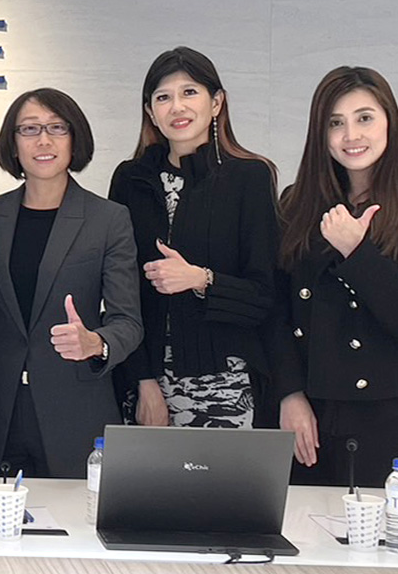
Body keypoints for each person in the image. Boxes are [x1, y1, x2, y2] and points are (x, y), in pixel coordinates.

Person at [272, 66, 398, 488]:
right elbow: (276, 311)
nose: (351, 135)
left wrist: (358, 253)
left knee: (390, 531)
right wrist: (288, 393)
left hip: (392, 417)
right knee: (299, 528)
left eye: (365, 118)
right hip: (308, 415)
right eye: (335, 123)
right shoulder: (295, 206)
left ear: (390, 121)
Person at [0, 88, 142, 478]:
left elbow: (128, 321)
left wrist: (95, 343)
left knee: (76, 516)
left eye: (57, 128)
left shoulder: (108, 219)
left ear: (74, 139)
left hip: (74, 410)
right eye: (29, 129)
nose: (43, 140)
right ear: (13, 144)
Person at [108, 47, 279, 429]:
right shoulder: (130, 180)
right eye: (163, 97)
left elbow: (264, 294)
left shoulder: (250, 177)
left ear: (216, 103)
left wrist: (202, 279)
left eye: (189, 92)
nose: (177, 107)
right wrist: (143, 380)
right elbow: (123, 294)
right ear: (150, 111)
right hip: (145, 380)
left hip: (226, 381)